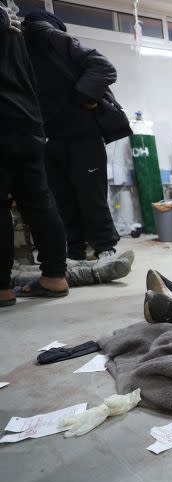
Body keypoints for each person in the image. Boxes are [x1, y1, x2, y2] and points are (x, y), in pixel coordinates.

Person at [21, 9, 121, 261]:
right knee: (61, 198)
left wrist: (84, 96)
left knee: (91, 195)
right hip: (50, 136)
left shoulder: (50, 38)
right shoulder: (20, 50)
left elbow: (104, 68)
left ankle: (105, 248)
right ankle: (75, 252)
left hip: (82, 133)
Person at [0, 1, 69, 306]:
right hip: (27, 120)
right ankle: (55, 276)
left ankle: (2, 288)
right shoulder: (14, 27)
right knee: (39, 200)